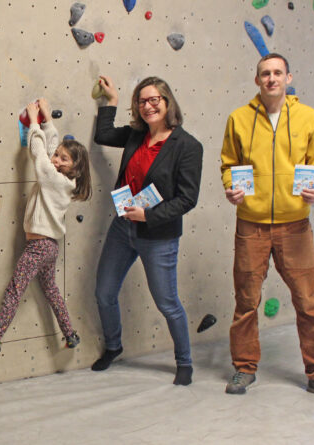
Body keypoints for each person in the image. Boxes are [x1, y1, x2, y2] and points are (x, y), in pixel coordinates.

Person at [219, 53, 314, 401]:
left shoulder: (308, 117)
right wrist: (231, 187)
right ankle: (244, 368)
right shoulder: (238, 118)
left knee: (309, 303)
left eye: (277, 73)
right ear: (257, 80)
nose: (271, 78)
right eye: (265, 74)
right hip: (251, 225)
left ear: (288, 78)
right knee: (246, 302)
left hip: (295, 226)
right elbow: (229, 164)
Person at [91, 75, 203, 386]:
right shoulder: (135, 135)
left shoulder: (188, 146)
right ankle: (113, 346)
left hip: (158, 236)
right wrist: (112, 101)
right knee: (104, 293)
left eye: (154, 100)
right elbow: (103, 135)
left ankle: (184, 362)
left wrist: (149, 215)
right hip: (122, 227)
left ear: (168, 103)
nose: (148, 106)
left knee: (167, 302)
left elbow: (187, 199)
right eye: (142, 101)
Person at [0, 98, 91, 355]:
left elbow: (40, 155)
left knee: (15, 290)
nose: (57, 160)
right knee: (51, 290)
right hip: (48, 247)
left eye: (64, 159)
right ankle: (70, 334)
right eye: (58, 156)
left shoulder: (55, 179)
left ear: (75, 168)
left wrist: (33, 122)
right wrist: (48, 120)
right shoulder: (63, 179)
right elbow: (50, 150)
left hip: (38, 248)